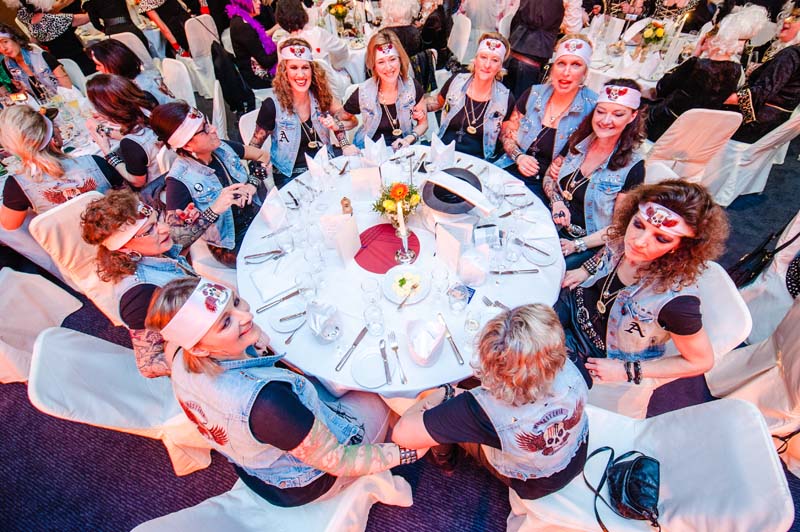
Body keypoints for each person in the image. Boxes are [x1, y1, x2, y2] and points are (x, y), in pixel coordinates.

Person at [145, 277, 425, 507]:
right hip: (307, 481)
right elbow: (338, 460)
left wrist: (251, 339)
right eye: (226, 322)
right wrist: (407, 452)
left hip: (259, 465)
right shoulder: (267, 404)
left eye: (236, 302)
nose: (246, 316)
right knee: (378, 388)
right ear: (200, 348)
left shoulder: (178, 352)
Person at [392, 304, 589, 500]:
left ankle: (445, 460)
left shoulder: (483, 411)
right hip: (576, 454)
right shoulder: (571, 362)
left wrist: (445, 391)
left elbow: (402, 435)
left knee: (434, 404)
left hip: (534, 484)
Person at [556, 180, 728, 391]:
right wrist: (586, 269)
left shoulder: (677, 303)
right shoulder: (624, 238)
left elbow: (701, 361)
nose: (638, 241)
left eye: (661, 238)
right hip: (573, 304)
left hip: (592, 350)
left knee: (526, 365)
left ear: (681, 247)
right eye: (638, 225)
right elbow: (608, 247)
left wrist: (628, 370)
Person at [80, 190, 197, 378]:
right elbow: (149, 364)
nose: (164, 228)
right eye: (149, 230)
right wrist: (209, 350)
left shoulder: (151, 252)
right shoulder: (140, 294)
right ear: (124, 247)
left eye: (157, 220)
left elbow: (179, 249)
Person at [150, 102, 270, 267]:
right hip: (232, 244)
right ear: (187, 145)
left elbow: (263, 156)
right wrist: (214, 210)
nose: (213, 129)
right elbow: (176, 242)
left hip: (260, 218)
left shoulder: (222, 148)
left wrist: (252, 184)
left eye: (207, 123)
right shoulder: (179, 181)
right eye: (204, 129)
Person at [544, 79, 646, 270]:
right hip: (550, 221)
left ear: (632, 116)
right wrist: (557, 201)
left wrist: (577, 245)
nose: (605, 121)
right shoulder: (578, 140)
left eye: (618, 114)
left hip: (587, 243)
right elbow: (549, 176)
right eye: (601, 111)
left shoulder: (633, 167)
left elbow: (620, 227)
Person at [496, 35, 598, 201]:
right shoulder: (534, 93)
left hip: (549, 188)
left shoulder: (592, 109)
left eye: (576, 65)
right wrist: (519, 156)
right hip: (510, 168)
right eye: (561, 63)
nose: (566, 72)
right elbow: (507, 131)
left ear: (585, 72)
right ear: (552, 67)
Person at [646, 5, 768, 141]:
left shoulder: (698, 66)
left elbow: (661, 88)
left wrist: (694, 56)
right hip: (696, 135)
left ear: (717, 39)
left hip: (665, 127)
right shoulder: (736, 70)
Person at [249, 38, 357, 188]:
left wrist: (342, 139)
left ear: (312, 70)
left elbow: (352, 121)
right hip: (290, 175)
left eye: (305, 67)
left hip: (325, 166)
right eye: (294, 67)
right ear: (284, 72)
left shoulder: (322, 96)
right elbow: (253, 147)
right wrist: (254, 179)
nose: (301, 75)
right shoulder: (272, 106)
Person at [0, 105, 125, 231]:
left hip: (71, 243)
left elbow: (10, 225)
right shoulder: (95, 162)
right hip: (118, 234)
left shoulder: (16, 187)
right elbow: (126, 196)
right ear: (53, 137)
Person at [424, 32, 514, 162]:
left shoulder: (505, 98)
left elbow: (505, 136)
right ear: (475, 59)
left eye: (495, 60)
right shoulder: (456, 82)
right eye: (483, 57)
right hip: (443, 152)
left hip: (477, 162)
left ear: (500, 66)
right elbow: (436, 102)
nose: (487, 65)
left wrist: (518, 154)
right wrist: (412, 104)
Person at [343, 29, 427, 150]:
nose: (388, 67)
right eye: (381, 62)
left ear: (400, 59)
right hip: (370, 153)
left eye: (392, 59)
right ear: (374, 65)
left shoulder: (412, 87)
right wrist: (345, 145)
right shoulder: (363, 92)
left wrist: (410, 138)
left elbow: (423, 123)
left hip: (404, 151)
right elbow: (338, 120)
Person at [726, 7, 800, 142]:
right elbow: (753, 53)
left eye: (795, 18)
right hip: (772, 129)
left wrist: (723, 98)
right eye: (789, 16)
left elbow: (761, 93)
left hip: (754, 125)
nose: (787, 20)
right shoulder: (784, 48)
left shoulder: (791, 55)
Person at [85, 74, 163, 188]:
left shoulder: (130, 144)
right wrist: (104, 129)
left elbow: (137, 181)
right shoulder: (149, 104)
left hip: (158, 186)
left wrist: (107, 152)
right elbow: (140, 135)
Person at [273, 0, 350, 99]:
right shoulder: (317, 33)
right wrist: (335, 65)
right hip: (328, 89)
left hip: (300, 95)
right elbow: (342, 49)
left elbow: (281, 75)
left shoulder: (282, 44)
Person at [13, 0, 96, 74]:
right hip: (78, 61)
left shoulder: (25, 16)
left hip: (60, 62)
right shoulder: (52, 20)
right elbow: (87, 18)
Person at [504, 0, 564, 97]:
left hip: (517, 48)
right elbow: (572, 26)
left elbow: (516, 18)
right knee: (522, 102)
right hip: (532, 55)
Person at [87, 39, 175, 105]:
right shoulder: (131, 82)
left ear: (114, 64)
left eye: (98, 65)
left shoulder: (142, 90)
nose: (97, 68)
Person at [0, 23, 72, 102]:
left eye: (5, 42)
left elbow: (68, 89)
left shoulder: (41, 55)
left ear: (15, 39)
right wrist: (15, 95)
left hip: (66, 100)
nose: (3, 48)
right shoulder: (8, 65)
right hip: (41, 106)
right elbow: (25, 96)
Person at [227, 0, 278, 90]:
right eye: (255, 0)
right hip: (258, 78)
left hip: (253, 71)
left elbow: (258, 40)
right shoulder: (243, 27)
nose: (259, 2)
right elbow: (266, 62)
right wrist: (281, 47)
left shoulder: (241, 19)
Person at [82, 0, 149, 47]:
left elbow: (96, 24)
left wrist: (105, 29)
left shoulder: (90, 3)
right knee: (143, 51)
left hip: (112, 33)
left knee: (122, 57)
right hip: (129, 27)